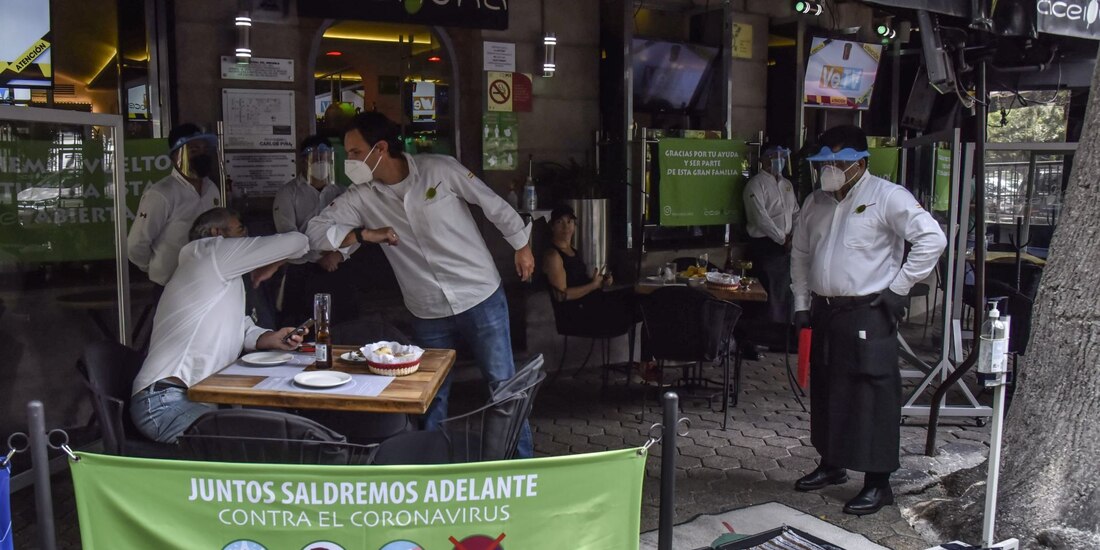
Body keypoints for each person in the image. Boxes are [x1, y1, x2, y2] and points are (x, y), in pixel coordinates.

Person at [306, 112, 536, 457]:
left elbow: (490, 202)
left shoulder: (439, 169)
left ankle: (523, 466)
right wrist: (364, 235)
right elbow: (315, 232)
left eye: (354, 152)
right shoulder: (361, 196)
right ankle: (430, 472)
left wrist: (521, 245)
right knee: (429, 394)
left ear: (380, 149)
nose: (349, 160)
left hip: (479, 293)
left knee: (503, 386)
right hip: (426, 306)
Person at [790, 125, 946, 515]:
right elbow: (800, 255)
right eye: (825, 163)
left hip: (869, 310)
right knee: (829, 389)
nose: (831, 170)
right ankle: (832, 464)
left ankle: (878, 483)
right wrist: (800, 302)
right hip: (826, 310)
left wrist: (900, 288)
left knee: (870, 393)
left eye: (838, 162)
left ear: (859, 164)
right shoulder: (815, 202)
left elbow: (932, 239)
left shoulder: (887, 197)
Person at [130, 208, 310, 443]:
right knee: (255, 444)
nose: (247, 236)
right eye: (241, 230)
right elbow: (298, 241)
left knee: (272, 434)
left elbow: (240, 324)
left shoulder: (214, 271)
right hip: (164, 402)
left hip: (190, 399)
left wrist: (269, 337)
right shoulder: (210, 253)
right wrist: (274, 263)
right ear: (217, 233)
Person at [127, 123, 222, 297]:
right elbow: (136, 245)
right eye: (193, 150)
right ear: (175, 156)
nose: (201, 155)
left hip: (207, 282)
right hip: (172, 287)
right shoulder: (161, 193)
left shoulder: (212, 189)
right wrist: (157, 268)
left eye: (204, 150)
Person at [273, 135, 358, 326]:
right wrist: (317, 256)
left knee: (343, 324)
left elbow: (356, 230)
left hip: (337, 267)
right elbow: (287, 234)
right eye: (316, 157)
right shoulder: (288, 193)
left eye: (325, 157)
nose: (321, 162)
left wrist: (338, 255)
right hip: (302, 269)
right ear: (303, 160)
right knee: (304, 326)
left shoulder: (343, 192)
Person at [743, 145, 799, 327]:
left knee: (784, 291)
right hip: (765, 245)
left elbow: (796, 212)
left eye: (781, 156)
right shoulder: (756, 184)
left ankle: (780, 335)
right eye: (773, 156)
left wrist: (793, 236)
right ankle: (760, 336)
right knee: (766, 291)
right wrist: (782, 238)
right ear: (763, 160)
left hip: (787, 246)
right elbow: (760, 218)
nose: (778, 160)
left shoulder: (787, 185)